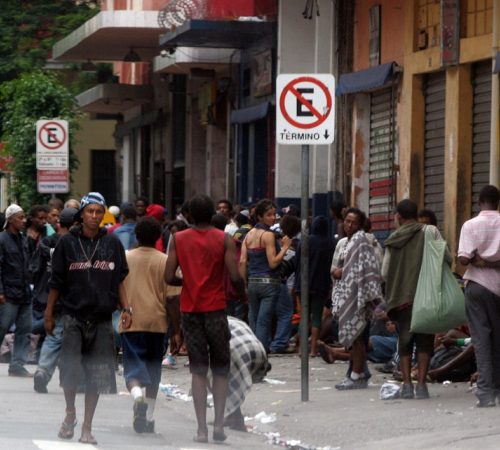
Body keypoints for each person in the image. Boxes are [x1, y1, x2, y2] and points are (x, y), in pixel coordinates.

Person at [44, 192, 132, 445]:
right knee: (69, 371)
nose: (94, 216)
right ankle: (70, 412)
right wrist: (49, 314)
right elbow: (56, 282)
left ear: (103, 214)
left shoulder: (113, 244)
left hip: (103, 317)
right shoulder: (66, 244)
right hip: (72, 315)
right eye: (89, 211)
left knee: (97, 374)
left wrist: (127, 309)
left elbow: (120, 281)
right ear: (81, 214)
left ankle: (87, 427)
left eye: (98, 212)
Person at [165, 194, 245, 443]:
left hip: (190, 311)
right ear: (212, 215)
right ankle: (219, 425)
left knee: (198, 371)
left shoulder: (177, 239)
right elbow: (233, 276)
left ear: (188, 216)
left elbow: (168, 277)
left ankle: (201, 429)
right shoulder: (224, 239)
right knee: (220, 369)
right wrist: (242, 294)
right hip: (216, 310)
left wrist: (186, 281)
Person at [382, 199, 449, 400]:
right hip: (426, 295)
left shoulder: (393, 240)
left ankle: (407, 385)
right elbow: (447, 257)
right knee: (425, 341)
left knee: (404, 340)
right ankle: (421, 385)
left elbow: (384, 273)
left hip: (401, 297)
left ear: (399, 217)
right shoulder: (430, 232)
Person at [121, 217, 180, 433]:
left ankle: (137, 396)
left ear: (136, 235)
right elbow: (173, 299)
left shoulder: (125, 258)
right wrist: (177, 330)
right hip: (158, 323)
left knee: (132, 370)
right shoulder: (165, 261)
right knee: (154, 372)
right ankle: (150, 417)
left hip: (131, 322)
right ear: (158, 238)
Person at [457, 184, 500, 407]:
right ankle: (496, 388)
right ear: (498, 202)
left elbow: (463, 259)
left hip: (477, 286)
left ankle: (485, 393)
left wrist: (479, 260)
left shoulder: (470, 225)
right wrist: (493, 262)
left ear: (478, 202)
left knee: (481, 340)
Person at [331, 208, 382, 389]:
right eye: (347, 221)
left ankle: (356, 376)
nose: (349, 225)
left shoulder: (361, 241)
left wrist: (340, 272)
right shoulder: (349, 242)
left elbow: (363, 269)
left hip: (359, 296)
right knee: (355, 339)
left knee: (358, 338)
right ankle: (357, 372)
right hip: (350, 295)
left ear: (360, 225)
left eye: (353, 222)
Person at [33, 208, 77, 393]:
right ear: (75, 225)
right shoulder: (76, 245)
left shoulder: (46, 243)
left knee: (53, 337)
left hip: (49, 297)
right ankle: (77, 380)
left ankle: (43, 371)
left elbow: (34, 270)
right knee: (76, 338)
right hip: (71, 299)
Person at [239, 199, 291, 352]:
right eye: (269, 215)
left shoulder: (248, 236)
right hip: (269, 282)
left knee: (254, 319)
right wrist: (285, 248)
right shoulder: (267, 235)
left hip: (253, 282)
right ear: (260, 216)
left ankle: (253, 351)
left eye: (274, 214)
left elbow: (242, 262)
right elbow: (273, 263)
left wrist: (245, 284)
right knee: (263, 321)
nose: (273, 217)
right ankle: (260, 354)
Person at [219, 317, 269, 432]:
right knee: (230, 380)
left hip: (236, 351)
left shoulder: (204, 324)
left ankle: (237, 420)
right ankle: (231, 415)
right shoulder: (231, 319)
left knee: (219, 378)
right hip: (258, 350)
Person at [0, 204, 32, 377]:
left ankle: (17, 365)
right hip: (8, 294)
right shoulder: (2, 239)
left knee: (25, 329)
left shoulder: (23, 239)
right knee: (2, 326)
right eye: (20, 217)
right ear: (10, 219)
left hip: (24, 292)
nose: (24, 220)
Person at [295, 216, 334, 357]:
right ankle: (312, 350)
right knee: (317, 317)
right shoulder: (331, 243)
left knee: (304, 316)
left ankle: (300, 349)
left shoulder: (304, 241)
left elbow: (297, 263)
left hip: (303, 284)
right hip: (320, 285)